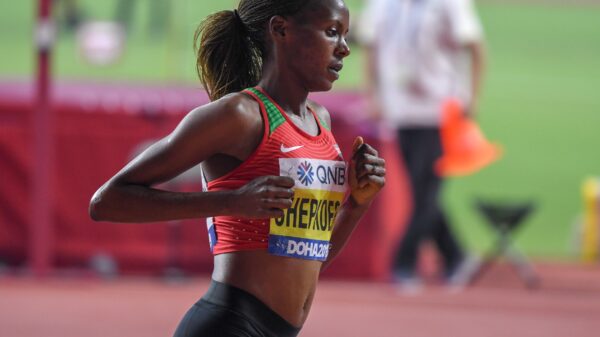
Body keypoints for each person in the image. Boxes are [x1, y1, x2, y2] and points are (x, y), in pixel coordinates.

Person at [89, 0, 386, 336]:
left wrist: (357, 203)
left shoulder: (321, 120)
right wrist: (230, 201)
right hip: (229, 325)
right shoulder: (239, 116)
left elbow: (309, 258)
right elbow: (106, 201)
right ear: (280, 30)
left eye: (346, 35)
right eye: (332, 32)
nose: (345, 49)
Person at [358, 0, 486, 290]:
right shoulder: (383, 4)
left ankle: (403, 263)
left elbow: (475, 46)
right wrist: (372, 94)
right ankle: (457, 256)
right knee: (422, 191)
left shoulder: (449, 4)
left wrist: (473, 97)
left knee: (424, 189)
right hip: (399, 110)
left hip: (437, 111)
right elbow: (371, 47)